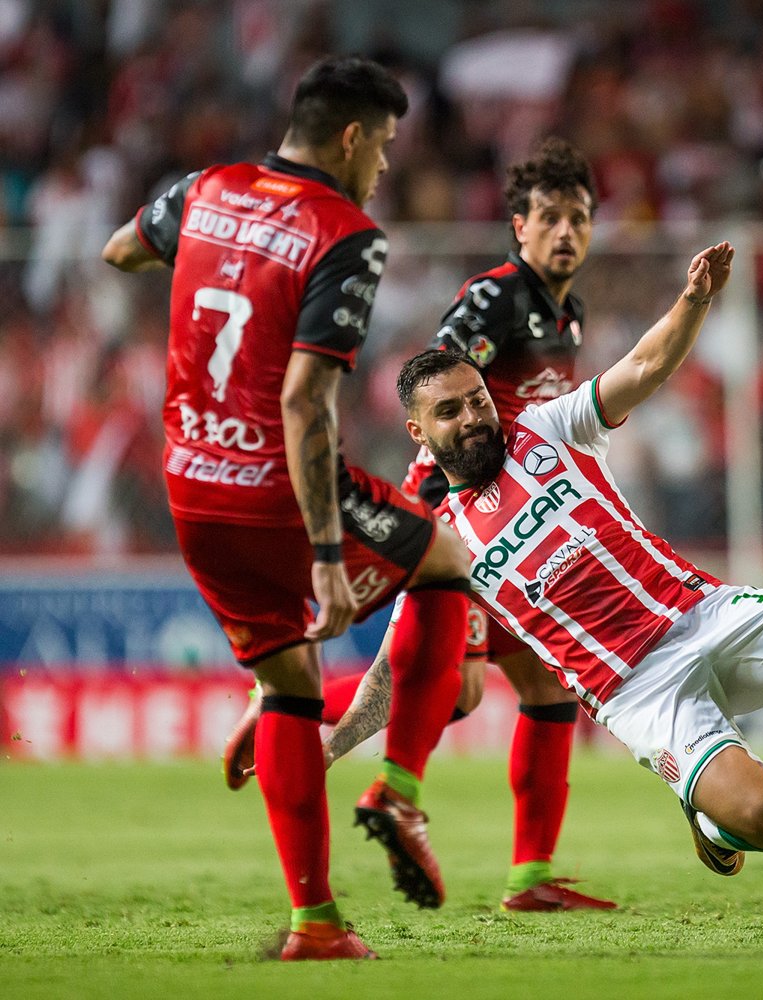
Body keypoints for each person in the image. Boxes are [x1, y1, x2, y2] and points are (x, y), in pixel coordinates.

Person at [332, 240, 763, 880]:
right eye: (449, 412)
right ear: (418, 432)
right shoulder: (440, 541)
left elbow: (643, 366)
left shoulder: (547, 428)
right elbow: (402, 665)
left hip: (704, 611)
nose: (473, 418)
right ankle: (704, 811)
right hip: (638, 688)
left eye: (476, 399)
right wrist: (332, 743)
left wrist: (693, 301)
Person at [101, 56, 472, 961]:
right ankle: (396, 789)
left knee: (288, 684)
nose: (383, 166)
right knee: (453, 565)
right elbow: (305, 400)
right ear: (350, 138)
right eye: (382, 147)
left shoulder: (207, 188)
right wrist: (321, 551)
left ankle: (315, 925)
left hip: (191, 484)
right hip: (279, 486)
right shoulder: (346, 232)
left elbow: (119, 250)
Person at [224, 137, 617, 912]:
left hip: (514, 524)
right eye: (549, 218)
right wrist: (438, 508)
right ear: (519, 226)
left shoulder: (567, 317)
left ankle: (531, 878)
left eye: (579, 217)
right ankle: (292, 707)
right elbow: (438, 381)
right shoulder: (495, 298)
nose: (566, 232)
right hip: (461, 514)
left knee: (538, 688)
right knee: (455, 689)